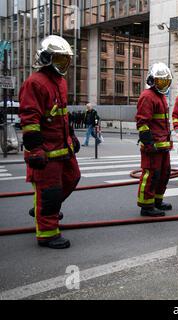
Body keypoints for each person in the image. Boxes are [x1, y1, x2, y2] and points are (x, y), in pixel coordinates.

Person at [19, 35, 81, 249]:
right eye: (59, 59)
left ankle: (45, 208)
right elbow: (30, 120)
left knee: (73, 177)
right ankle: (47, 234)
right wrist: (35, 149)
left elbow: (62, 115)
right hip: (44, 151)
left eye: (66, 59)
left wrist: (71, 136)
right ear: (46, 58)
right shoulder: (34, 83)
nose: (64, 64)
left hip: (62, 147)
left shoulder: (60, 82)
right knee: (50, 190)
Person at [136, 62, 173, 216]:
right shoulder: (147, 96)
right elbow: (142, 123)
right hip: (153, 146)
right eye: (160, 81)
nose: (163, 84)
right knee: (151, 175)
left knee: (164, 173)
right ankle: (146, 205)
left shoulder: (161, 97)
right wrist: (148, 143)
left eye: (165, 81)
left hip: (163, 145)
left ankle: (157, 200)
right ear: (152, 80)